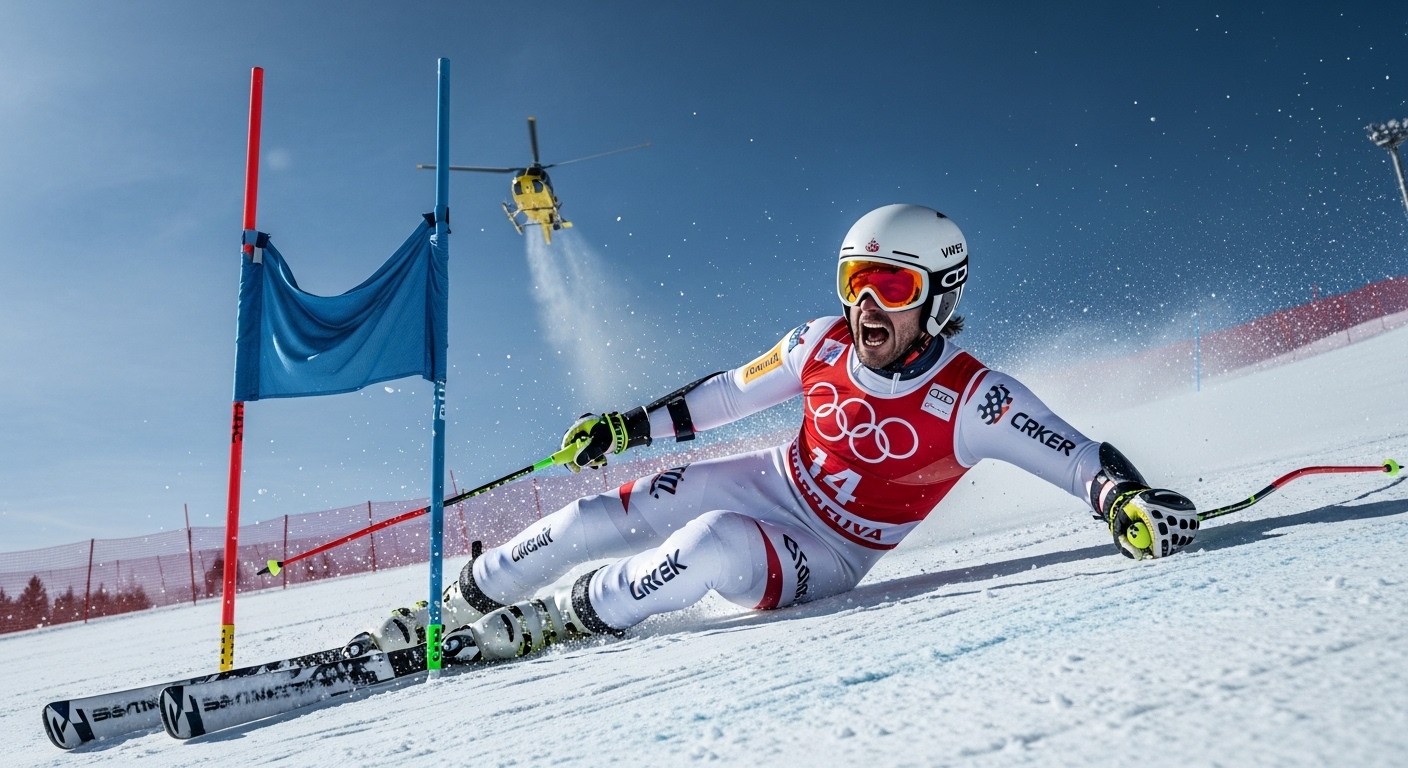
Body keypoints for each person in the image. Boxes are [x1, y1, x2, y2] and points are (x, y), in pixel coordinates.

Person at [344, 203, 1200, 663]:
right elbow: (724, 396)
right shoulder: (818, 341)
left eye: (892, 287)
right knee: (601, 512)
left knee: (710, 544)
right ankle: (460, 602)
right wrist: (627, 426)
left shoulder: (971, 399)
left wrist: (1125, 502)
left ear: (939, 296)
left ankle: (553, 621)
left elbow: (1077, 456)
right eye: (856, 280)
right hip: (776, 480)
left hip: (833, 551)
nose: (867, 305)